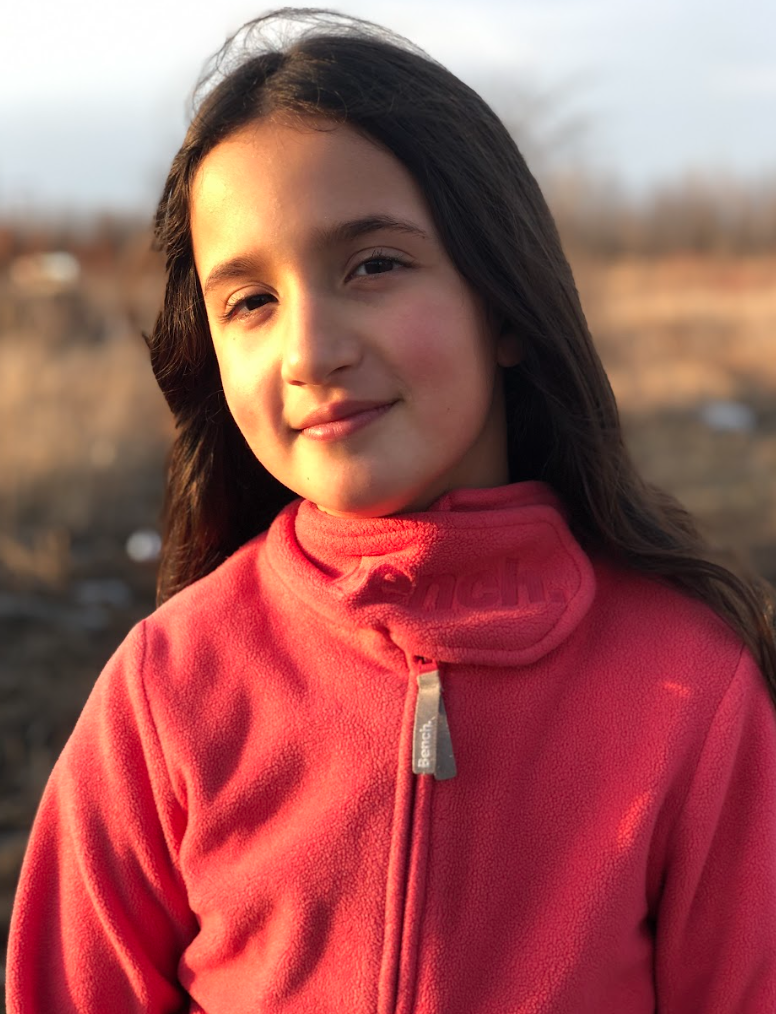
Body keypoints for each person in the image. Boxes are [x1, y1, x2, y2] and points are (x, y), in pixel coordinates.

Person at [7, 9, 776, 1013]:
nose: (309, 351)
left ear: (503, 301)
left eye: (373, 265)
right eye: (250, 301)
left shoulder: (693, 690)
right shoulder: (169, 688)